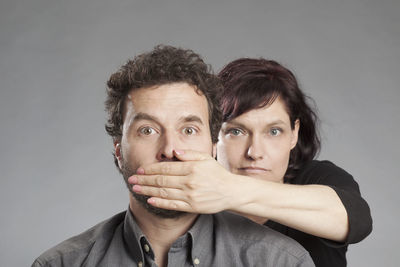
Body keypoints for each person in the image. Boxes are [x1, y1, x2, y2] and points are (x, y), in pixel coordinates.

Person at [32, 47, 315, 267]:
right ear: (118, 150)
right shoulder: (61, 264)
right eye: (147, 130)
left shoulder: (281, 261)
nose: (169, 149)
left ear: (213, 148)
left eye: (189, 129)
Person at [128, 58, 373, 266]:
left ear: (294, 133)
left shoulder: (318, 178)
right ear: (213, 136)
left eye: (273, 131)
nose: (255, 152)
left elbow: (356, 221)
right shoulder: (190, 201)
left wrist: (226, 190)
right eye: (236, 131)